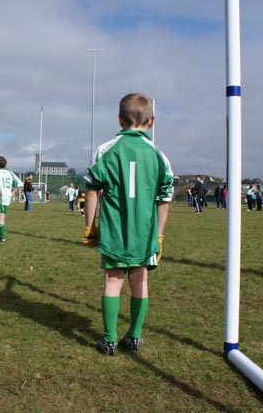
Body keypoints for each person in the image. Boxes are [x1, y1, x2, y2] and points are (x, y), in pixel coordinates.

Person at [82, 92, 173, 356]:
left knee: (113, 280)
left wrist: (90, 227)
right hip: (144, 233)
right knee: (140, 281)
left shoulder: (106, 149)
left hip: (114, 230)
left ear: (120, 120)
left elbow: (91, 190)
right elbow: (164, 200)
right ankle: (134, 336)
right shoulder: (159, 156)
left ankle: (109, 339)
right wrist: (159, 236)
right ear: (151, 122)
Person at [0, 156, 23, 242]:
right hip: (7, 197)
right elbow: (19, 183)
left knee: (1, 216)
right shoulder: (10, 173)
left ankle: (2, 237)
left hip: (0, 197)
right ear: (5, 164)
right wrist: (13, 193)